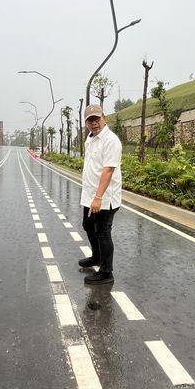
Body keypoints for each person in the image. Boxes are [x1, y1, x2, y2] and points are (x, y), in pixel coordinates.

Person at [79, 104, 122, 285]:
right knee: (88, 226)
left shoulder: (111, 140)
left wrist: (98, 198)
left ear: (104, 118)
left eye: (96, 119)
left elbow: (108, 170)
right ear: (86, 123)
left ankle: (106, 272)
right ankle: (96, 257)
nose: (94, 123)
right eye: (90, 120)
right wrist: (90, 196)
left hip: (104, 198)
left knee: (103, 233)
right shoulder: (90, 138)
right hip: (90, 195)